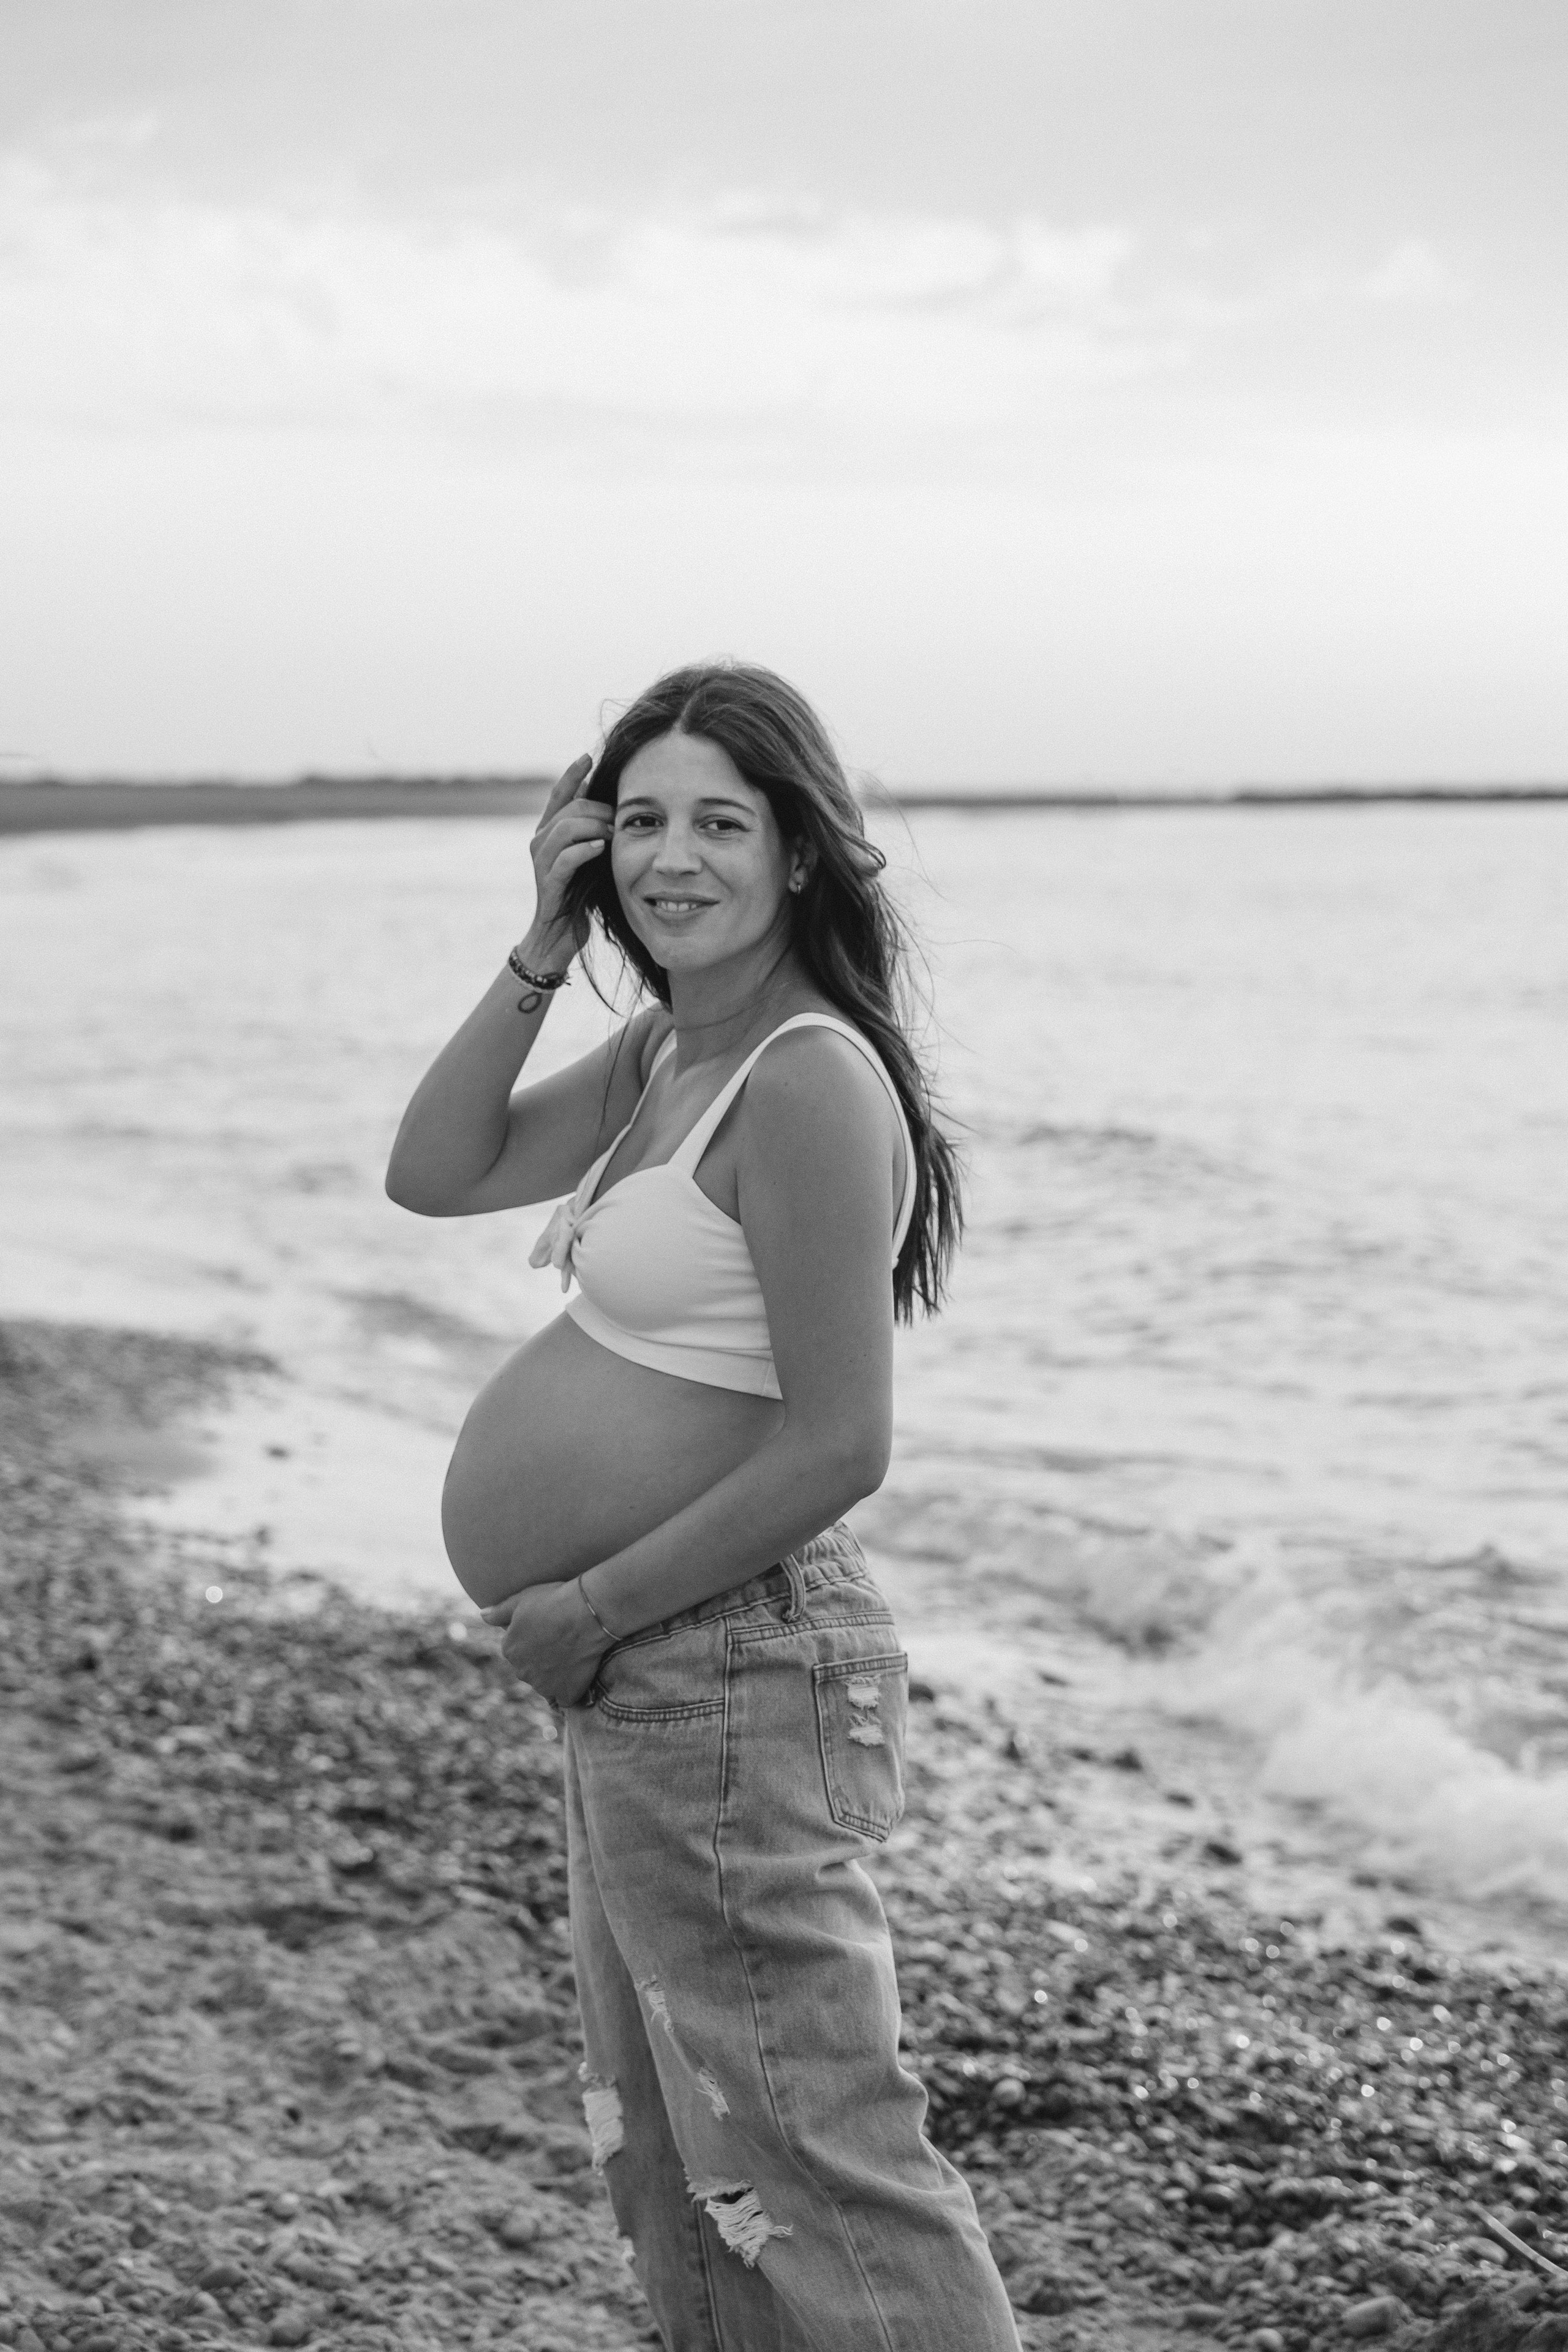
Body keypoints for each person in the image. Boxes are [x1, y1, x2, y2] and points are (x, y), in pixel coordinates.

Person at [385, 663, 1020, 2350]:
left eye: (720, 823)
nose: (674, 857)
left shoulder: (804, 1079)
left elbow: (838, 1444)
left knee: (816, 2160)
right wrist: (541, 938)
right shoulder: (672, 1042)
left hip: (718, 1655)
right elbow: (433, 1169)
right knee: (677, 2155)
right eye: (644, 819)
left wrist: (589, 1612)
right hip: (652, 1671)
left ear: (802, 852)